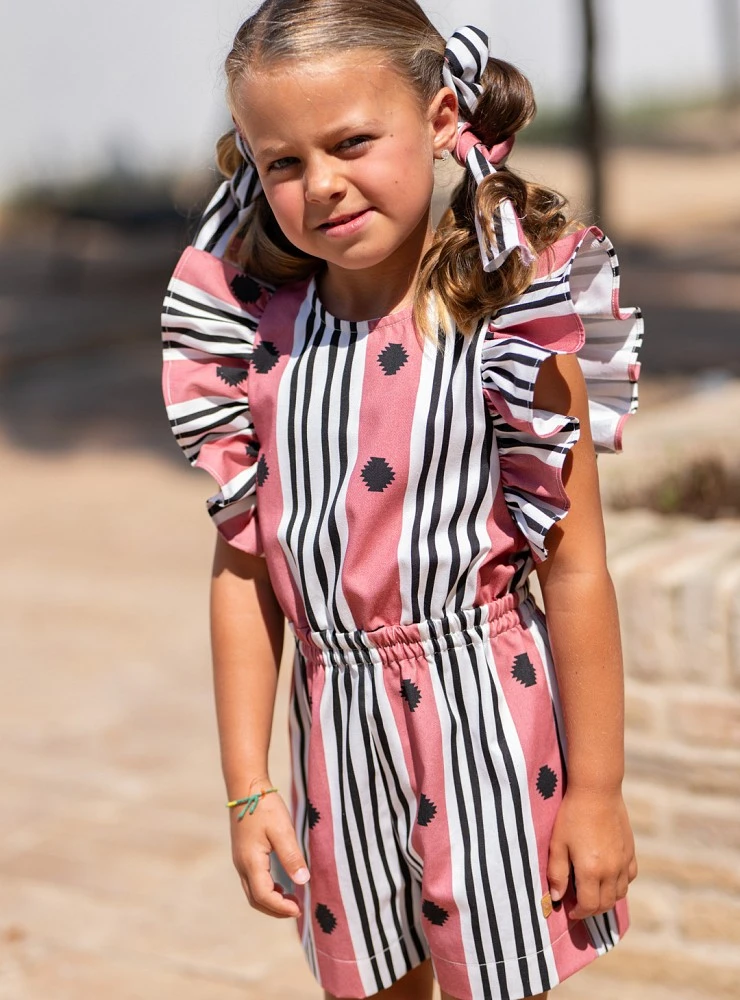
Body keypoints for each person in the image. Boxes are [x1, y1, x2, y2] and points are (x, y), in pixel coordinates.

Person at [160, 2, 643, 998]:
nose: (320, 183)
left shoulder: (511, 331)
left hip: (490, 739)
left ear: (434, 122)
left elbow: (577, 567)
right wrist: (246, 786)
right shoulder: (257, 350)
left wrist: (596, 791)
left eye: (350, 142)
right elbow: (245, 575)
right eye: (282, 162)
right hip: (336, 747)